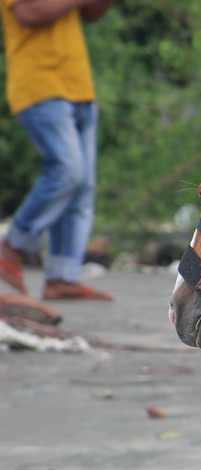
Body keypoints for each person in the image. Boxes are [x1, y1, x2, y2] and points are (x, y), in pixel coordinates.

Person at [0, 0, 114, 301]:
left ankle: (62, 277)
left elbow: (92, 14)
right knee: (67, 171)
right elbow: (29, 13)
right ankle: (13, 243)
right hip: (40, 85)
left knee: (82, 187)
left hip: (79, 86)